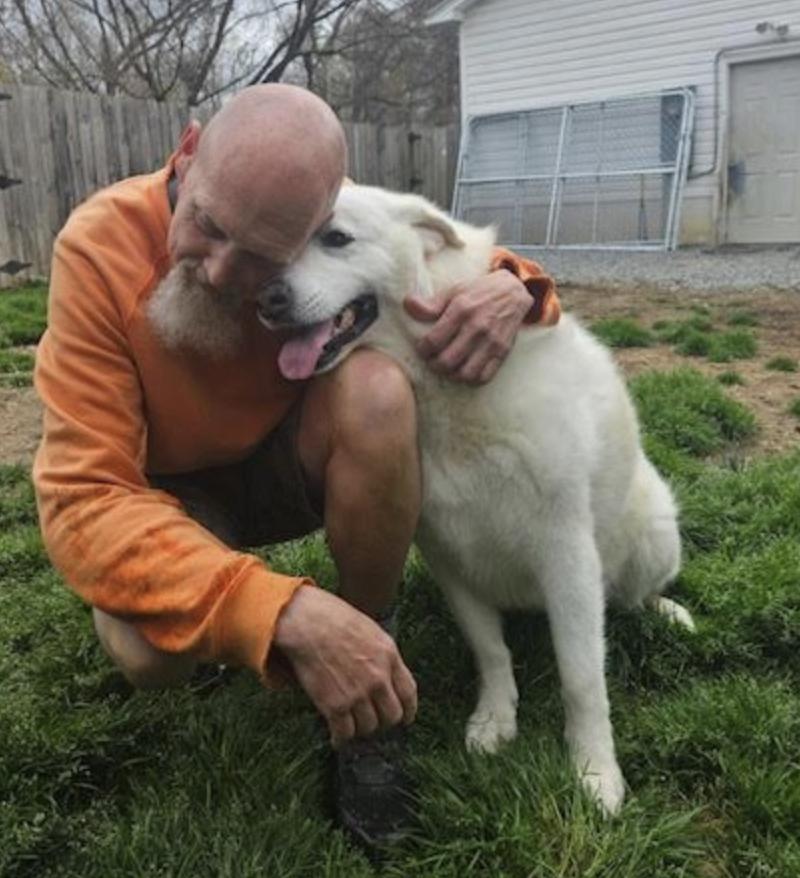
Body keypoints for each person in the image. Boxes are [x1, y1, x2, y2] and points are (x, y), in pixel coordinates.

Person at [33, 84, 544, 849]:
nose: (220, 270)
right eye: (207, 225)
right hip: (168, 496)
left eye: (265, 254)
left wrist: (518, 288)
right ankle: (231, 619)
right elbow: (83, 498)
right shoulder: (95, 247)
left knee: (378, 393)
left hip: (288, 463)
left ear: (319, 216)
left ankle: (370, 687)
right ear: (189, 148)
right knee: (145, 653)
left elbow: (446, 245)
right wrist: (276, 611)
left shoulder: (313, 209)